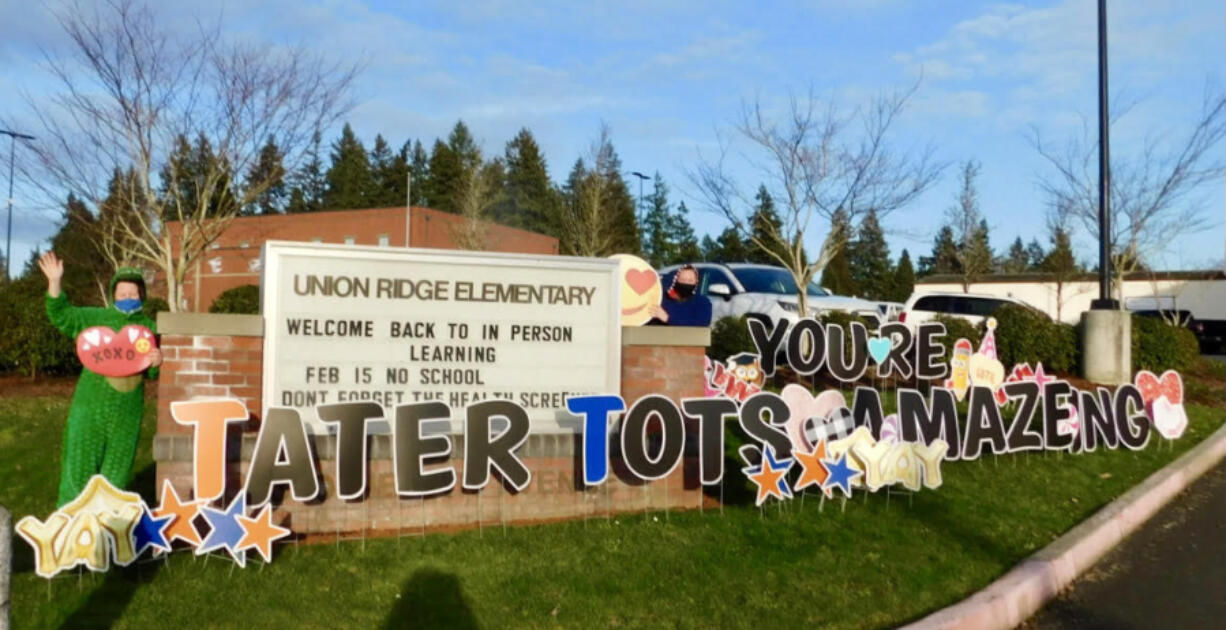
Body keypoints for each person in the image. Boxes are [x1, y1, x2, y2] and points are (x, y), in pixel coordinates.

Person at [39, 251, 162, 506]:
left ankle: (106, 532)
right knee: (79, 468)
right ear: (113, 295)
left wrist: (157, 362)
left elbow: (154, 371)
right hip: (90, 409)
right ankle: (68, 529)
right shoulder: (96, 319)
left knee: (116, 476)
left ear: (142, 295)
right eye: (122, 294)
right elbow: (62, 315)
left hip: (126, 415)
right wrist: (54, 281)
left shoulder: (150, 329)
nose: (128, 298)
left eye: (133, 294)